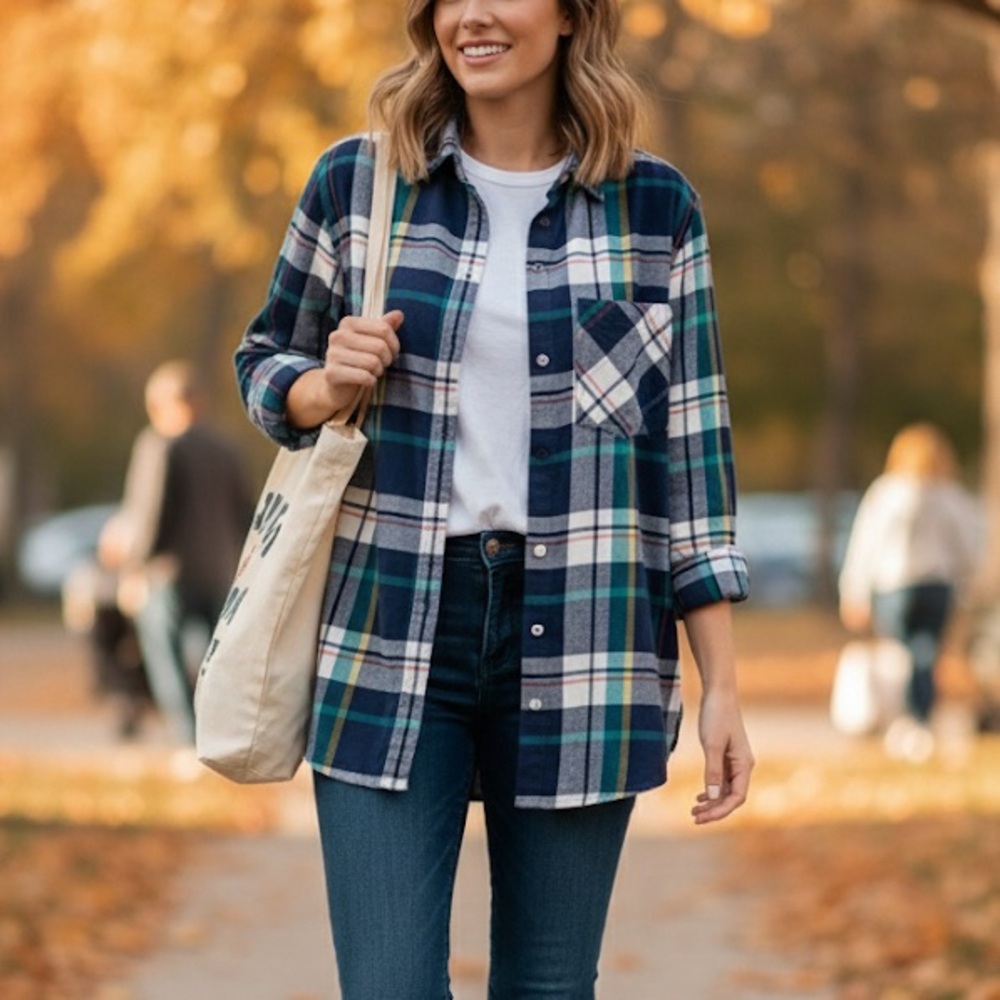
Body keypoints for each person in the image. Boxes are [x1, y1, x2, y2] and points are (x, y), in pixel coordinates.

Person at [236, 0, 753, 995]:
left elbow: (689, 457)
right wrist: (321, 384)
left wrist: (720, 684)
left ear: (568, 15)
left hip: (588, 634)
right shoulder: (359, 181)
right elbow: (266, 359)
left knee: (550, 985)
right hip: (389, 623)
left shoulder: (654, 208)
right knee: (389, 983)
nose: (472, 14)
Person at [99, 360, 254, 744]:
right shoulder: (227, 449)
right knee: (211, 665)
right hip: (220, 572)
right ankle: (222, 739)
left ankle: (190, 742)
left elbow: (151, 515)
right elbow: (247, 516)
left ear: (161, 404)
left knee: (166, 662)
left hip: (168, 576)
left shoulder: (158, 445)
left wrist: (133, 571)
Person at [839, 422, 981, 761]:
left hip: (894, 586)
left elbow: (864, 545)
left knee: (901, 654)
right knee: (926, 653)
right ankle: (919, 720)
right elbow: (969, 547)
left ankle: (905, 722)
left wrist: (854, 590)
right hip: (936, 586)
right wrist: (970, 583)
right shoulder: (949, 495)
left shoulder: (886, 493)